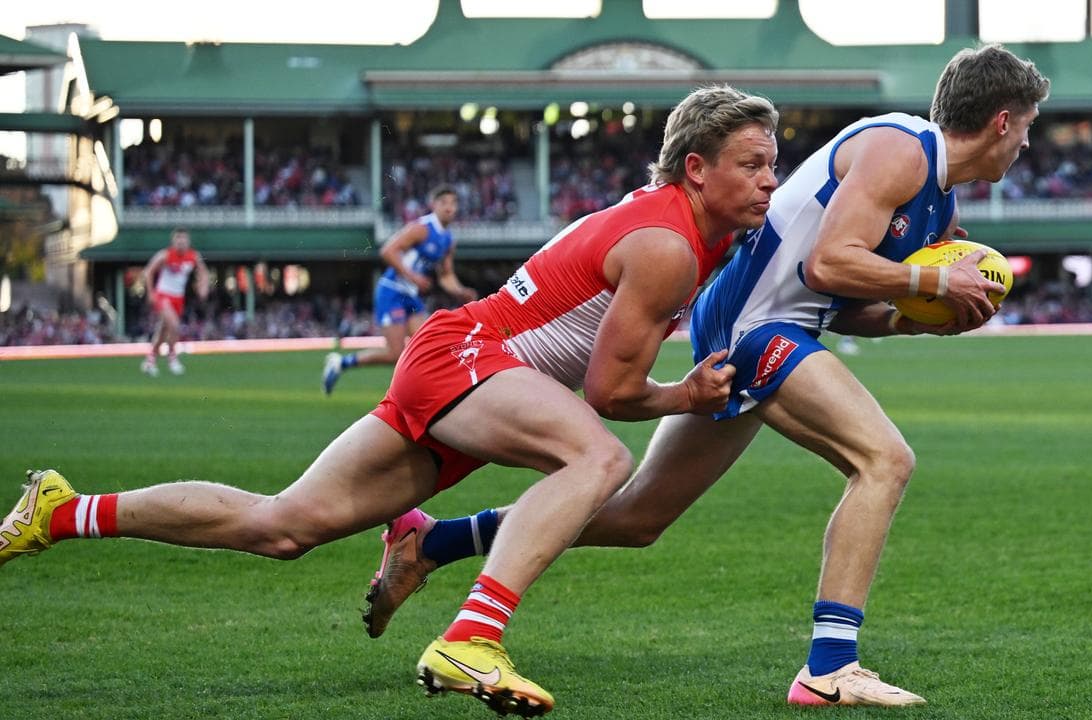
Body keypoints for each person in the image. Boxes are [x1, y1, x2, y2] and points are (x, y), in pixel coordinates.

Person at [0, 85, 780, 719]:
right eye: (752, 165)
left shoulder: (693, 231)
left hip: (471, 369)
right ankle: (472, 637)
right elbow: (610, 393)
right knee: (599, 459)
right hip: (469, 360)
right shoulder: (667, 245)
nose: (770, 182)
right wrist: (684, 394)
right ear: (695, 169)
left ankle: (62, 512)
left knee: (283, 526)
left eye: (774, 166)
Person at [361, 44, 1049, 709]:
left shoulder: (940, 206)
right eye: (1026, 126)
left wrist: (909, 320)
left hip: (772, 325)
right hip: (756, 327)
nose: (1026, 143)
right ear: (1001, 121)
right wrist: (935, 280)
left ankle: (433, 542)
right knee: (884, 460)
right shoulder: (902, 150)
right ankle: (830, 668)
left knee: (639, 518)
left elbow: (836, 302)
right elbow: (829, 263)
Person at [323, 186, 476, 394]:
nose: (449, 207)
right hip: (392, 291)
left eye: (453, 203)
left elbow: (445, 275)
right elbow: (388, 251)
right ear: (434, 205)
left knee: (429, 344)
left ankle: (431, 393)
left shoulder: (448, 239)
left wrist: (461, 291)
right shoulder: (421, 228)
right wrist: (413, 277)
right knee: (395, 353)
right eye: (444, 202)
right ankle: (341, 363)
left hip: (410, 296)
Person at [140, 228, 209, 376]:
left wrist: (203, 287)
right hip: (163, 295)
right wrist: (150, 292)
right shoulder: (165, 255)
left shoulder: (193, 256)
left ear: (188, 241)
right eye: (178, 239)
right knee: (175, 326)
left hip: (178, 297)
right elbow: (149, 271)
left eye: (184, 239)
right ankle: (172, 358)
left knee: (163, 331)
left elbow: (203, 272)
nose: (181, 242)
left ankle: (150, 360)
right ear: (173, 241)